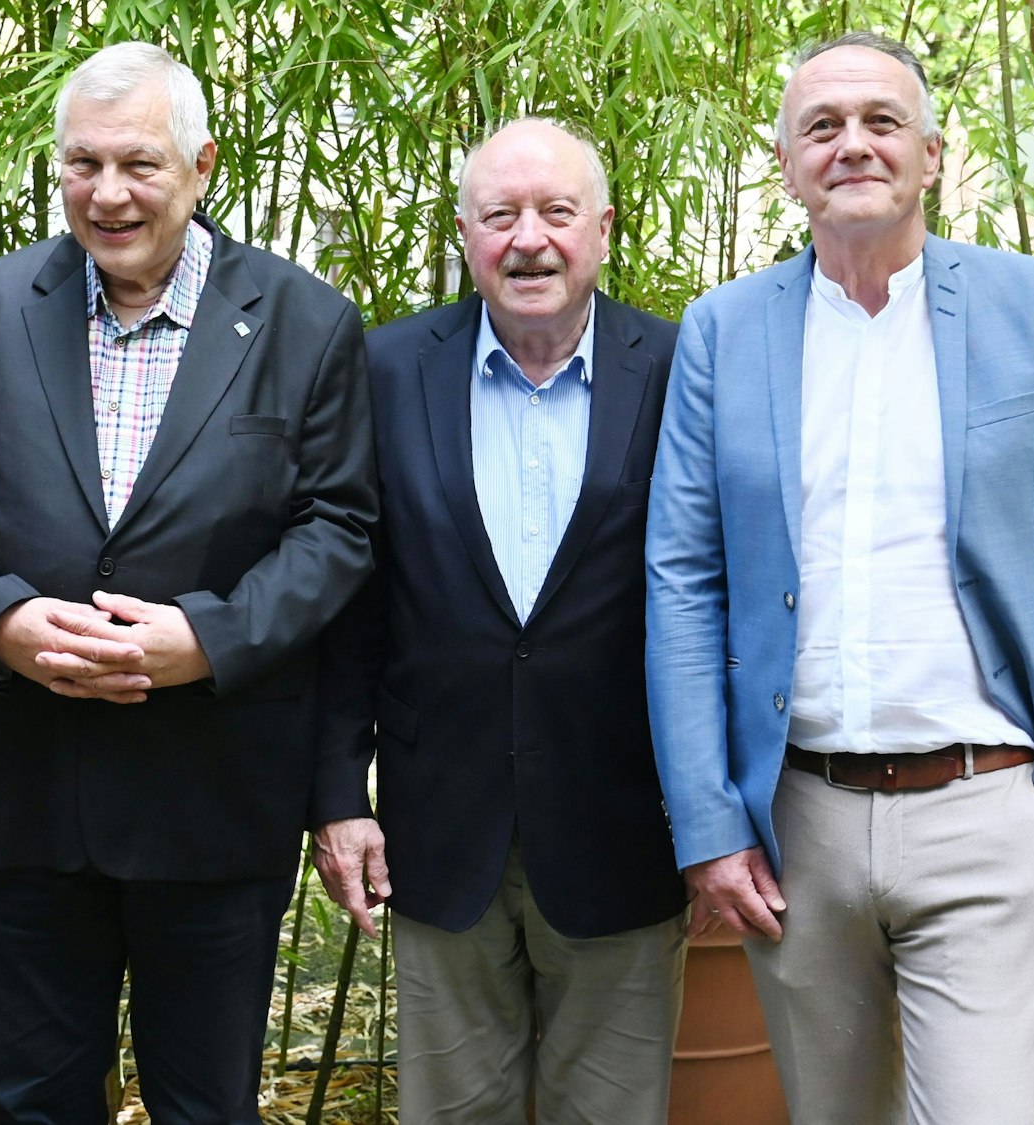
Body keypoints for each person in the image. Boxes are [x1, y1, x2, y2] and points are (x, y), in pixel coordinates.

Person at [645, 31, 1034, 1123]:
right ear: (785, 165)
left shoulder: (1032, 306)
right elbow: (682, 581)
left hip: (990, 808)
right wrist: (707, 826)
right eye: (820, 126)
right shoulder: (722, 333)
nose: (851, 145)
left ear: (929, 151)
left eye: (878, 121)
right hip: (796, 823)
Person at [0, 41, 377, 1124]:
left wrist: (206, 638)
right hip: (23, 781)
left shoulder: (306, 322)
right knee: (30, 1099)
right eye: (82, 163)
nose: (107, 194)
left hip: (212, 785)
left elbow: (338, 528)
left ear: (200, 166)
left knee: (206, 1104)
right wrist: (3, 620)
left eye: (139, 164)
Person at [315, 118, 687, 1123]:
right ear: (464, 233)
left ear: (603, 229)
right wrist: (338, 794)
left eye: (556, 213)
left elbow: (712, 605)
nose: (529, 240)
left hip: (624, 827)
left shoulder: (679, 365)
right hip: (440, 827)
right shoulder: (383, 370)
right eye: (500, 215)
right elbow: (348, 606)